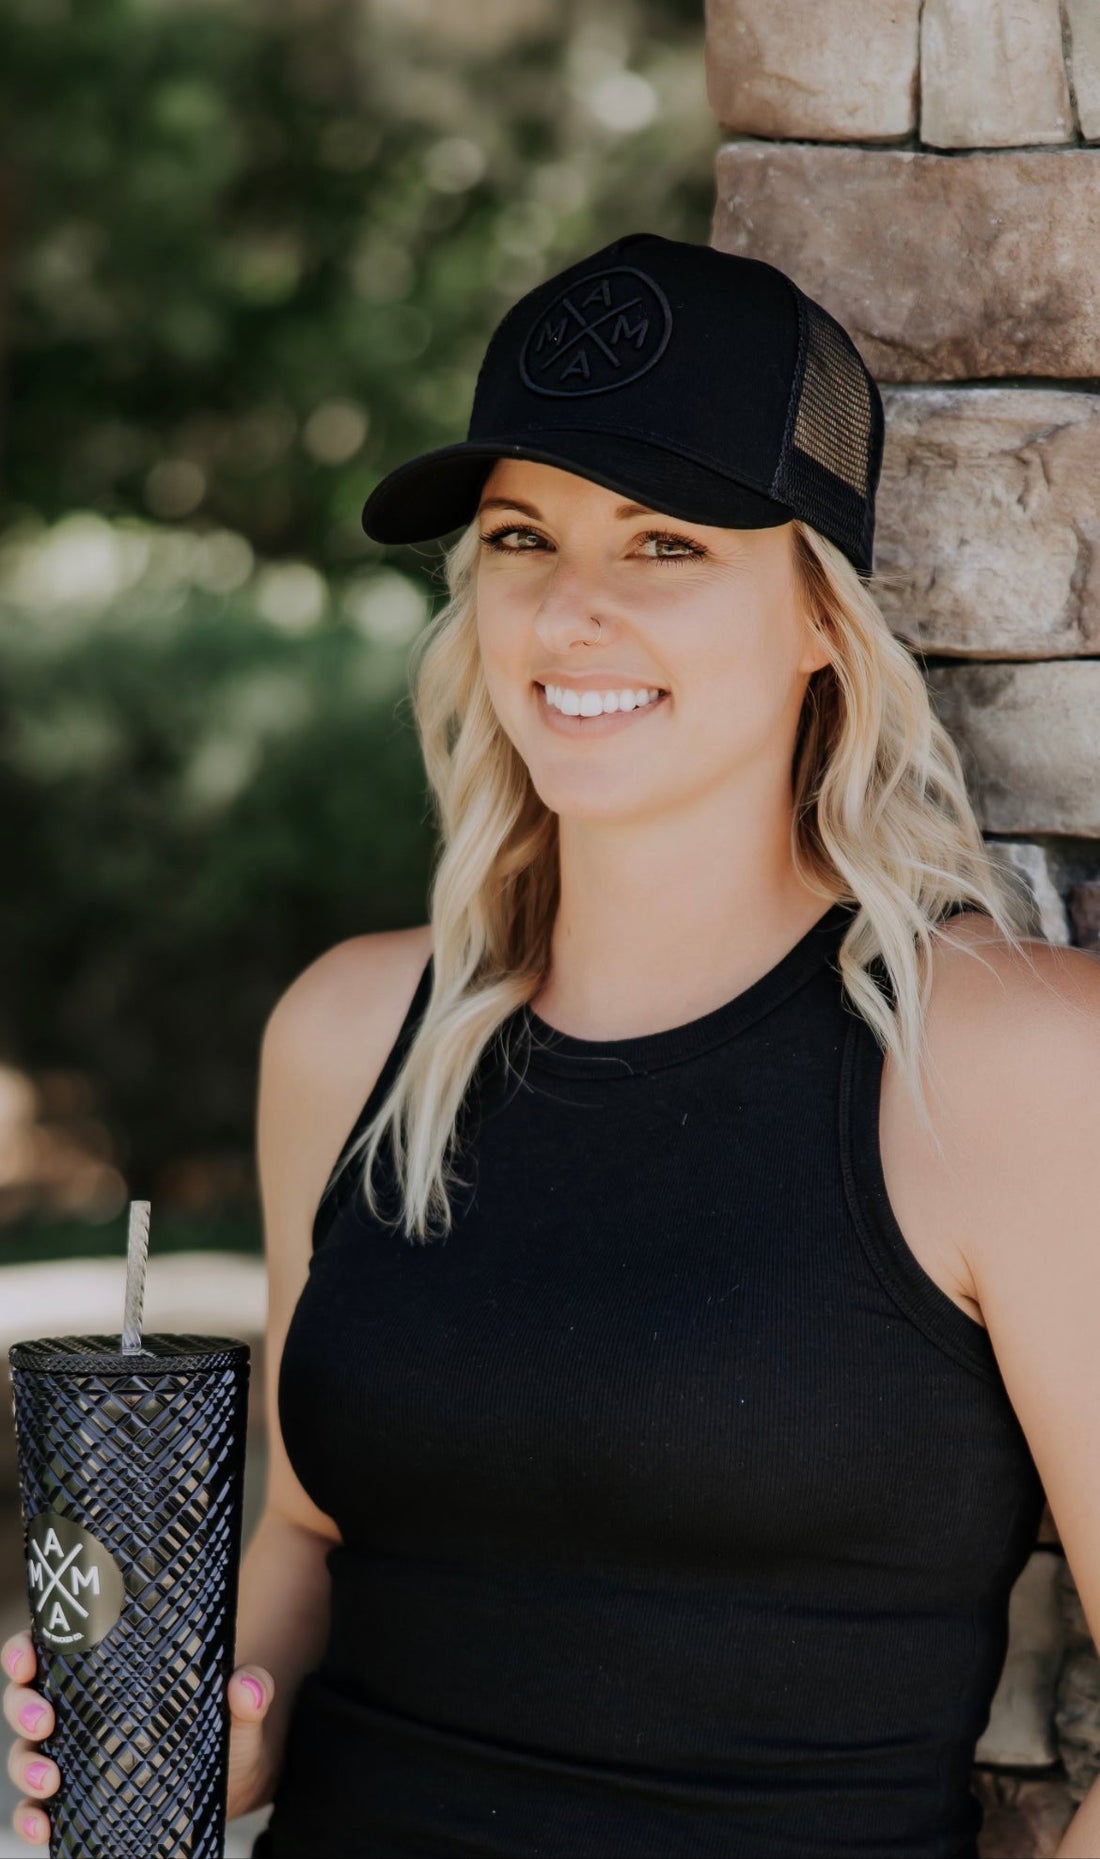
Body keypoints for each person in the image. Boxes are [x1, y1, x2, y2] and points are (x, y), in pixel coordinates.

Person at [5, 231, 1100, 1858]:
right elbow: (307, 1536)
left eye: (665, 546)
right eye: (524, 535)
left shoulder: (1001, 1063)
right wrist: (202, 1728)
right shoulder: (354, 1030)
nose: (572, 608)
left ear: (820, 617)